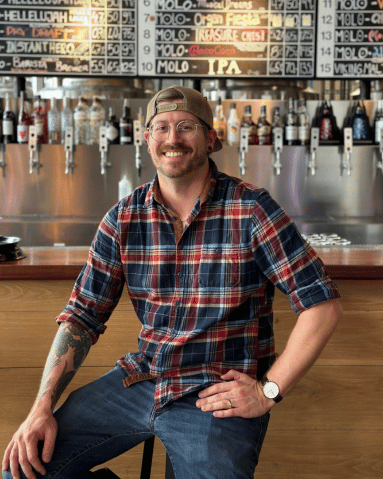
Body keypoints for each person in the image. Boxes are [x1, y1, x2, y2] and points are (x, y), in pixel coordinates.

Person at [2, 85, 342, 479]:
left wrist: (268, 390)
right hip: (142, 379)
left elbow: (322, 305)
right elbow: (81, 316)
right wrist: (40, 407)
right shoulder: (123, 218)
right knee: (23, 469)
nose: (172, 138)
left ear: (211, 138)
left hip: (216, 394)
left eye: (186, 126)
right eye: (160, 127)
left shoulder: (251, 209)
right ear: (147, 140)